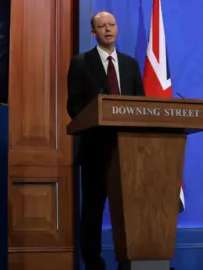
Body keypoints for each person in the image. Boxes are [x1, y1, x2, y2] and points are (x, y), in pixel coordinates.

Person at [66, 11, 144, 270]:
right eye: (102, 26)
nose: (108, 30)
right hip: (95, 150)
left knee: (129, 210)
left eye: (111, 25)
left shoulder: (131, 64)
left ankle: (130, 259)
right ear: (94, 33)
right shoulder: (81, 63)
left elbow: (142, 106)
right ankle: (92, 262)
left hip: (128, 150)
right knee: (93, 210)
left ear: (117, 29)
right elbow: (74, 106)